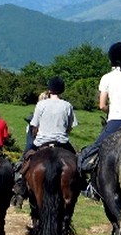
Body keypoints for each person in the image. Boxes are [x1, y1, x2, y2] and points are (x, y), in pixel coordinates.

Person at [12, 76, 78, 206]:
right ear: (62, 90)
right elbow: (70, 127)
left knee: (24, 161)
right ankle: (84, 185)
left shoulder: (41, 104)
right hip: (62, 143)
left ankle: (20, 187)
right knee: (78, 165)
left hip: (41, 142)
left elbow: (34, 125)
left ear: (49, 90)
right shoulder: (67, 105)